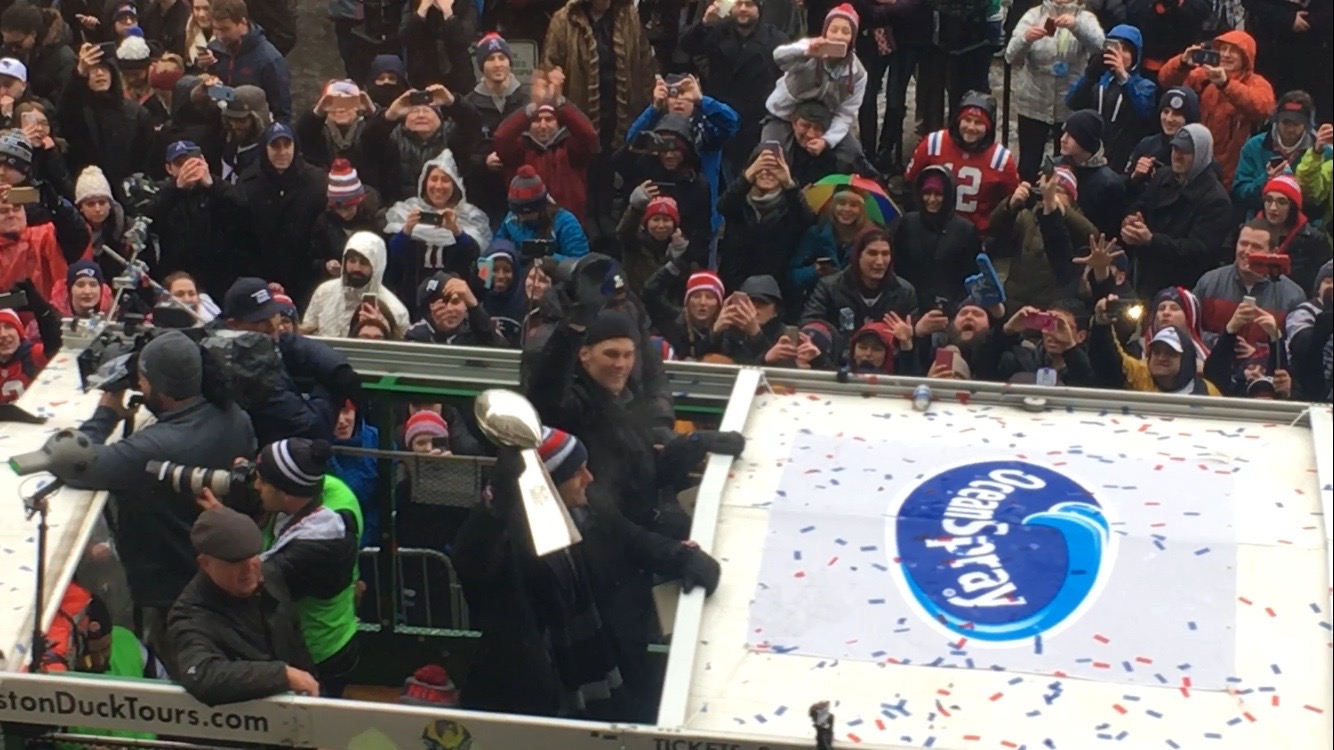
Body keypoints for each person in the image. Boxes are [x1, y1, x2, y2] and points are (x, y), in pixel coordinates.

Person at [453, 428, 721, 720]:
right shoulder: (506, 544)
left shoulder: (585, 512)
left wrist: (682, 556)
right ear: (550, 484)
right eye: (577, 472)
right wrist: (497, 502)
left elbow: (632, 538)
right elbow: (470, 556)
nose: (589, 478)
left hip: (593, 667)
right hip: (529, 694)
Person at [63, 330, 256, 674]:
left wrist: (106, 413)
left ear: (158, 388)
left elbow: (74, 463)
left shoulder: (153, 447)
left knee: (183, 675)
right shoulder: (235, 417)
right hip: (211, 578)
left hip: (169, 588)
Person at [246, 438, 362, 698]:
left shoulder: (316, 545)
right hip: (323, 641)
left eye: (263, 482)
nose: (256, 486)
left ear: (286, 494)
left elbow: (255, 582)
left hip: (318, 654)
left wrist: (226, 524)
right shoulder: (312, 489)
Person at [169, 506, 319, 705]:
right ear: (205, 563)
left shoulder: (268, 578)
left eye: (253, 556)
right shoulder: (189, 616)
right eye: (235, 562)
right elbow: (202, 675)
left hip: (293, 713)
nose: (249, 569)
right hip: (240, 724)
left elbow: (294, 639)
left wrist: (309, 680)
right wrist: (282, 675)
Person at [219, 277, 364, 444]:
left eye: (273, 314)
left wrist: (337, 369)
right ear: (234, 325)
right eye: (260, 320)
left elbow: (291, 343)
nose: (273, 325)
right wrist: (329, 391)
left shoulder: (257, 339)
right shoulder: (246, 368)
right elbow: (312, 426)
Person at [1119, 123, 1231, 297]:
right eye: (1175, 149)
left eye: (1185, 152)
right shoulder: (1163, 176)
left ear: (1200, 154)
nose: (1177, 156)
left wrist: (1151, 240)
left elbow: (1199, 251)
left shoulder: (1217, 200)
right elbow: (1141, 204)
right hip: (1147, 278)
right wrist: (1132, 220)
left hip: (1186, 288)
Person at [678, 0, 786, 178]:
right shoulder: (717, 31)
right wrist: (704, 24)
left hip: (755, 122)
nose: (743, 9)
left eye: (749, 4)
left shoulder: (775, 39)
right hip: (719, 120)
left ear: (759, 9)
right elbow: (686, 46)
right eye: (739, 3)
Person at [1157, 30, 1274, 187]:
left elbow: (1263, 108)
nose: (1226, 55)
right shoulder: (1203, 75)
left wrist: (1226, 84)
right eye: (1223, 49)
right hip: (1194, 159)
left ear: (1246, 57)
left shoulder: (1256, 83)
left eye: (1233, 51)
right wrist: (1182, 62)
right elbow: (1165, 81)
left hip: (1232, 168)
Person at [1004, 0, 1104, 181]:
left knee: (1066, 162)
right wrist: (1025, 39)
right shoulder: (1033, 15)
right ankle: (1025, 202)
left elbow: (1100, 46)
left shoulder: (1084, 17)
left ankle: (1062, 202)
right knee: (1028, 163)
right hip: (1033, 101)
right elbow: (1011, 56)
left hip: (1069, 105)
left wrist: (1077, 27)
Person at [762, 5, 868, 170]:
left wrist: (827, 141)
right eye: (834, 30)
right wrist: (807, 51)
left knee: (852, 153)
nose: (838, 36)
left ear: (852, 38)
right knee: (770, 154)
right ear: (825, 31)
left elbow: (846, 113)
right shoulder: (810, 47)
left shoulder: (858, 73)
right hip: (785, 115)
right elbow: (779, 57)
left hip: (826, 121)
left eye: (845, 32)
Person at [383, 150, 493, 304]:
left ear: (455, 185)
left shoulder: (470, 216)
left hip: (453, 299)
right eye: (434, 179)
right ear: (424, 182)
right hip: (412, 297)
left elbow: (473, 255)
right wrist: (407, 229)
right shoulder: (407, 210)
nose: (438, 186)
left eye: (445, 180)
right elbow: (395, 255)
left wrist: (456, 231)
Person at [904, 91, 1019, 237]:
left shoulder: (1001, 159)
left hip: (976, 237)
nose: (971, 127)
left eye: (978, 122)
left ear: (989, 127)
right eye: (967, 120)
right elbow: (910, 184)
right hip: (932, 230)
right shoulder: (934, 143)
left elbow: (1008, 206)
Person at [143, 140, 249, 297]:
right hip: (178, 274)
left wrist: (212, 186)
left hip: (216, 274)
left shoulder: (218, 188)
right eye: (180, 164)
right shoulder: (164, 192)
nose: (188, 168)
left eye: (192, 162)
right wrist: (177, 189)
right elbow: (149, 218)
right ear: (169, 169)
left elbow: (242, 210)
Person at [238, 122, 328, 299]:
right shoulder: (249, 182)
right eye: (275, 146)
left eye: (287, 145)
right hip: (262, 274)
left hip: (305, 274)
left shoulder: (317, 181)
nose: (282, 152)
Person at [492, 79, 599, 225]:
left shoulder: (571, 150)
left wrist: (561, 104)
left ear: (558, 123)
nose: (543, 125)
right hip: (526, 227)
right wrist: (531, 108)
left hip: (568, 227)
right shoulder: (519, 152)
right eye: (537, 120)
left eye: (549, 119)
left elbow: (589, 135)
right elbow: (501, 137)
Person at [991, 167, 1092, 311]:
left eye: (1057, 190)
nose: (1048, 193)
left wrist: (1058, 209)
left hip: (1052, 302)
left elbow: (1090, 236)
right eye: (1045, 189)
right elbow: (997, 230)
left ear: (1071, 197)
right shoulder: (1027, 216)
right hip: (1016, 298)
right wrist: (1009, 206)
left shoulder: (1076, 221)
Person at [716, 148, 811, 296]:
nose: (767, 173)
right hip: (734, 285)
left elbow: (805, 220)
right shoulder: (739, 199)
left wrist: (789, 184)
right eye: (762, 166)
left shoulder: (791, 203)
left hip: (776, 290)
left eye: (774, 168)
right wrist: (747, 177)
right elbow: (723, 206)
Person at [1194, 219, 1306, 345]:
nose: (1247, 251)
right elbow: (1189, 329)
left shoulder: (1292, 296)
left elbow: (1294, 346)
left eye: (1256, 247)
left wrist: (1259, 353)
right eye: (1243, 244)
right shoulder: (1209, 283)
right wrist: (1220, 342)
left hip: (1265, 364)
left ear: (1274, 252)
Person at [1065, 24, 1158, 173]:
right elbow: (1072, 101)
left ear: (1136, 56)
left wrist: (1124, 78)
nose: (1119, 55)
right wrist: (1090, 76)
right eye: (1113, 48)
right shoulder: (1098, 79)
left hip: (1123, 153)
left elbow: (1143, 114)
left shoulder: (1145, 85)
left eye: (1125, 50)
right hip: (1092, 151)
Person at [801, 227, 919, 340]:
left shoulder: (905, 291)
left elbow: (911, 345)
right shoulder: (829, 287)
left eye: (885, 254)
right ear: (857, 256)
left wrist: (916, 331)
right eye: (872, 253)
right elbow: (810, 325)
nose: (879, 261)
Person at [890, 166, 981, 307]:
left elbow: (971, 277)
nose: (932, 199)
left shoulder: (966, 230)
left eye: (938, 194)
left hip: (950, 308)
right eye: (927, 193)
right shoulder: (907, 223)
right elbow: (897, 267)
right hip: (909, 306)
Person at [464, 33, 530, 222]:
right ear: (482, 65)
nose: (497, 64)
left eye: (502, 58)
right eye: (491, 59)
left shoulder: (527, 99)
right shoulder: (470, 104)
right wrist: (483, 161)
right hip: (484, 191)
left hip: (523, 185)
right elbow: (462, 150)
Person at [1089, 302, 1221, 394]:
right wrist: (1101, 325)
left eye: (1170, 352)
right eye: (1156, 352)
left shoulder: (1207, 391)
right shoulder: (1139, 376)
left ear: (1185, 358)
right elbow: (1109, 359)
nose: (1161, 357)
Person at [192, 0, 292, 121]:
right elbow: (226, 95)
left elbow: (282, 113)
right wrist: (204, 75)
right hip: (220, 126)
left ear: (242, 22)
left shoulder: (270, 60)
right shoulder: (215, 50)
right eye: (215, 29)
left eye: (225, 29)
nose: (219, 35)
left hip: (255, 128)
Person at [1233, 91, 1329, 217]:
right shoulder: (1254, 146)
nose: (1289, 128)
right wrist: (1265, 181)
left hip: (1305, 226)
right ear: (1276, 120)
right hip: (1260, 220)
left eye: (1296, 123)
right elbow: (1239, 193)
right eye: (1285, 122)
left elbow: (1320, 202)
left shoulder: (1323, 152)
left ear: (1307, 125)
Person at [306, 232, 411, 338]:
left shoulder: (395, 311)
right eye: (352, 261)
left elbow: (401, 351)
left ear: (376, 266)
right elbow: (307, 332)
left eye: (364, 263)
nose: (356, 268)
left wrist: (384, 329)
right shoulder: (324, 292)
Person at [1247, 174, 1330, 295]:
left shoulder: (1314, 239)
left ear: (1293, 207)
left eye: (1281, 202)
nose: (1273, 208)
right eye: (1268, 200)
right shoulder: (1250, 231)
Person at [790, 187, 874, 300]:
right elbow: (792, 275)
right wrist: (815, 270)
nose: (847, 209)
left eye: (853, 205)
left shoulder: (871, 237)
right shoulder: (815, 233)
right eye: (841, 203)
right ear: (833, 206)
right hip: (819, 299)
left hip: (856, 300)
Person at [494, 166, 590, 261]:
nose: (521, 217)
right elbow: (495, 248)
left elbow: (579, 264)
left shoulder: (566, 223)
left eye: (527, 213)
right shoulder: (511, 219)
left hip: (555, 274)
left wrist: (546, 257)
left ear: (540, 207)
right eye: (517, 211)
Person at [1059, 109, 1128, 238]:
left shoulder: (1109, 183)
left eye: (1071, 135)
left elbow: (1111, 232)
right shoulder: (1057, 166)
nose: (1063, 139)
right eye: (1064, 133)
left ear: (1086, 140)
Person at [997, 299, 1097, 385]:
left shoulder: (1094, 365)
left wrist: (1069, 347)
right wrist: (1006, 332)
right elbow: (987, 369)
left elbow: (1090, 385)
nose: (1053, 334)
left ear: (1081, 336)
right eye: (1049, 324)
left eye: (1062, 327)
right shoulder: (1025, 359)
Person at [1123, 85, 1198, 197]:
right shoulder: (1147, 144)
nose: (1169, 119)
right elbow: (1124, 189)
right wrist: (1135, 176)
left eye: (1176, 114)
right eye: (1166, 111)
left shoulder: (1198, 155)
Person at [0, 185, 70, 299]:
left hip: (47, 312)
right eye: (3, 211)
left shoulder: (45, 235)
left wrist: (57, 204)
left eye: (16, 208)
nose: (11, 215)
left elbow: (76, 230)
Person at [0, 3, 77, 105]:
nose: (13, 49)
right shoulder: (8, 51)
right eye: (8, 44)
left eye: (17, 44)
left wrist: (22, 95)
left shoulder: (64, 58)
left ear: (33, 34)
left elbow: (63, 105)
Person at [642, 269, 725, 361]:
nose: (702, 302)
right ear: (687, 302)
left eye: (709, 297)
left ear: (719, 304)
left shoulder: (726, 327)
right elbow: (650, 290)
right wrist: (678, 264)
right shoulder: (673, 322)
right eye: (696, 296)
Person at [403, 0, 478, 97]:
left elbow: (464, 38)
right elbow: (406, 37)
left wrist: (448, 14)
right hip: (423, 75)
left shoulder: (464, 3)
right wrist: (421, 11)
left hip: (458, 75)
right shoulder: (413, 4)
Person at [0, 281, 59, 404]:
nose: (3, 335)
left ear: (19, 332)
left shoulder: (33, 355)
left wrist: (43, 311)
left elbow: (55, 344)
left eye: (9, 326)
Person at [405, 271, 501, 346]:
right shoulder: (415, 335)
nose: (450, 309)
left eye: (455, 301)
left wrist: (475, 307)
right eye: (443, 302)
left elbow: (503, 353)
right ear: (429, 308)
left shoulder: (478, 330)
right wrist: (440, 334)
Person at [1285, 261, 1332, 401]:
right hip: (1308, 388)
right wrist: (1326, 318)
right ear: (1319, 288)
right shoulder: (1304, 311)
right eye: (1328, 282)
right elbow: (1301, 345)